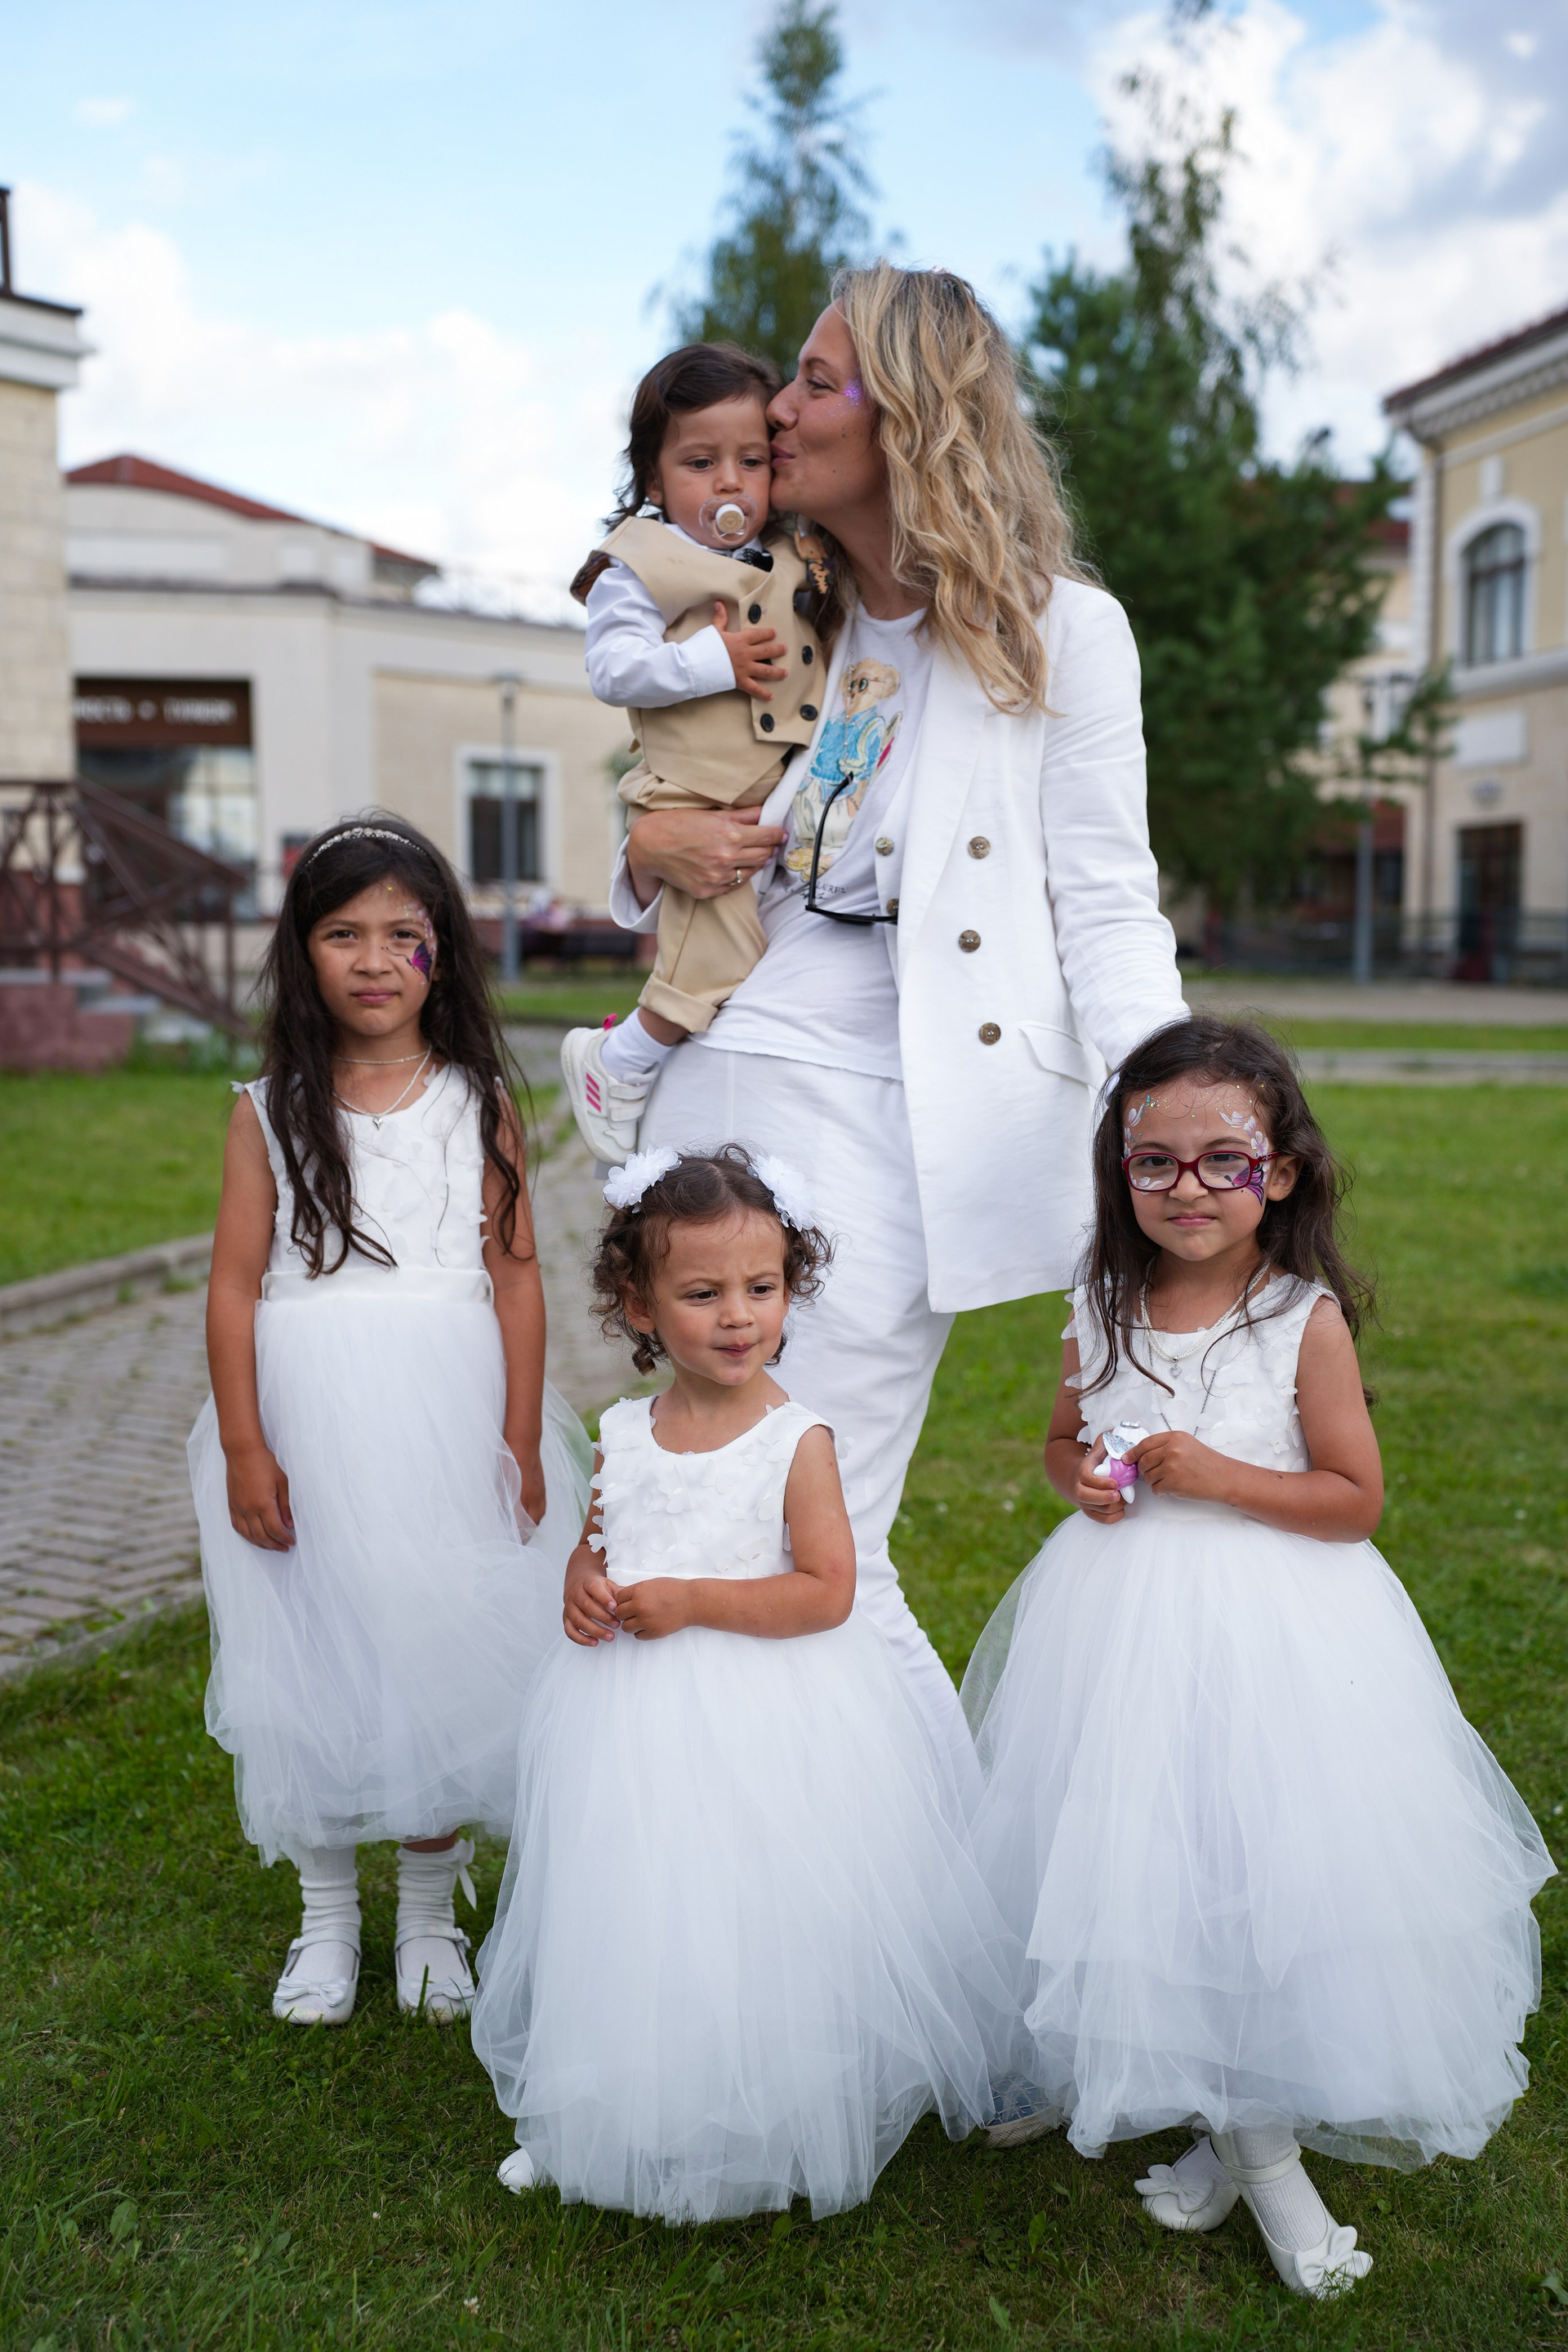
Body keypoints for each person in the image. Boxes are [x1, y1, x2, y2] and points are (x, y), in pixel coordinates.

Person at [595, 264, 1187, 1802]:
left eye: (815, 381)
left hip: (894, 1121)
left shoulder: (1062, 635)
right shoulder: (790, 607)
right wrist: (643, 853)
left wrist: (1176, 1114)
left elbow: (1106, 904)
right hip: (715, 1079)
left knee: (821, 1521)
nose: (776, 409)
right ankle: (700, 1863)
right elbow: (688, 793)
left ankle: (911, 1896)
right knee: (678, 1501)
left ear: (912, 415)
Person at [961, 1015, 1554, 2301]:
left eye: (1221, 1160)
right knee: (1152, 1874)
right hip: (1117, 1631)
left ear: (1277, 1172)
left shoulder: (1300, 1319)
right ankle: (1230, 2134)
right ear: (1121, 1172)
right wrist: (1088, 1483)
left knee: (1256, 1879)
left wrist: (1220, 1476)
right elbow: (1064, 1442)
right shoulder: (1102, 1302)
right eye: (1153, 1161)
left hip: (1276, 1632)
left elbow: (1353, 1499)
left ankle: (1267, 2158)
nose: (1187, 1187)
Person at [470, 1147, 1031, 2223]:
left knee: (752, 1913)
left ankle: (772, 2108)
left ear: (791, 1289)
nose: (738, 1316)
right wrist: (584, 1580)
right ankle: (611, 2099)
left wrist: (692, 1600)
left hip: (766, 1725)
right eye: (703, 1293)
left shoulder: (795, 1439)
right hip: (632, 1722)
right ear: (639, 1303)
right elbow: (600, 1539)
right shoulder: (624, 1431)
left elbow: (826, 1591)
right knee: (634, 1899)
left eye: (762, 1288)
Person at [189, 817, 590, 2029]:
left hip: (449, 1414)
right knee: (313, 1655)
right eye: (342, 934)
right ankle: (326, 1915)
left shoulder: (478, 1102)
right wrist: (247, 1444)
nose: (374, 960)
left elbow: (515, 1274)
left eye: (402, 936)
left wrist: (516, 1435)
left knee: (439, 1650)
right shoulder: (268, 1110)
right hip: (307, 1414)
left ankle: (427, 1910)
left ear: (442, 953)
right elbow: (232, 1286)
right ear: (301, 952)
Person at [559, 343, 834, 1156]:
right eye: (700, 462)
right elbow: (613, 670)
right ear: (653, 480)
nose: (729, 484)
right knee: (716, 954)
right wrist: (710, 661)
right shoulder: (638, 565)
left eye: (751, 461)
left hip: (769, 793)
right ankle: (620, 1061)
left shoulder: (798, 552)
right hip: (691, 795)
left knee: (750, 954)